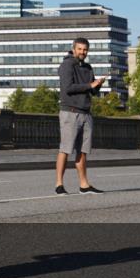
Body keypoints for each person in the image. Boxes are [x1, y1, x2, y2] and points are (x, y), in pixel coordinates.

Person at [54, 37, 105, 195]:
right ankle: (59, 184)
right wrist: (90, 85)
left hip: (85, 113)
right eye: (80, 49)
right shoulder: (67, 65)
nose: (83, 52)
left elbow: (91, 91)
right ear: (74, 49)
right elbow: (68, 88)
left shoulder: (88, 67)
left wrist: (97, 86)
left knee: (82, 151)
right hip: (70, 112)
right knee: (65, 149)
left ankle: (84, 185)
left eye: (85, 50)